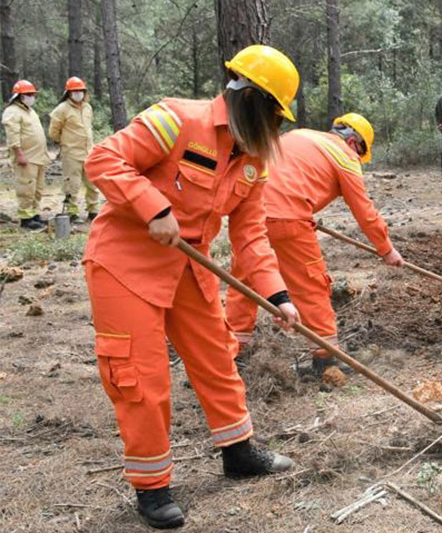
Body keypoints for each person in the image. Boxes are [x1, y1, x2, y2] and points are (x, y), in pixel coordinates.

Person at [83, 45, 303, 529]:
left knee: (217, 357)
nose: (276, 128)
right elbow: (103, 159)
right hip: (126, 264)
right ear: (253, 100)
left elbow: (252, 237)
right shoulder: (175, 120)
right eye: (275, 116)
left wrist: (279, 297)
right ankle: (152, 485)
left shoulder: (253, 160)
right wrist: (153, 207)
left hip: (189, 266)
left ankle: (238, 451)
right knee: (141, 377)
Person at [226, 113, 403, 375]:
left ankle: (231, 355)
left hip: (247, 215)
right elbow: (364, 211)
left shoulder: (299, 135)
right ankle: (326, 359)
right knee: (311, 285)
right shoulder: (345, 156)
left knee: (243, 284)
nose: (357, 158)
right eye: (360, 153)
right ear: (353, 142)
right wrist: (387, 250)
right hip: (289, 220)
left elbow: (281, 176)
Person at [49, 77, 100, 224]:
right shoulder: (62, 109)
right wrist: (65, 143)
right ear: (69, 93)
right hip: (71, 153)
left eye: (80, 91)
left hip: (88, 152)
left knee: (92, 184)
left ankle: (93, 211)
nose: (78, 93)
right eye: (75, 91)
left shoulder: (87, 108)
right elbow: (53, 131)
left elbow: (88, 127)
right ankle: (72, 212)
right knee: (72, 184)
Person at [3, 79, 49, 230]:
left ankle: (34, 213)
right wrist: (19, 153)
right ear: (20, 96)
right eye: (29, 94)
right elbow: (13, 135)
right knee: (26, 187)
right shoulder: (12, 112)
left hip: (38, 157)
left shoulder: (30, 111)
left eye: (32, 94)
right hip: (26, 156)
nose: (32, 97)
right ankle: (25, 218)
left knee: (37, 188)